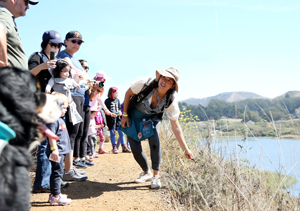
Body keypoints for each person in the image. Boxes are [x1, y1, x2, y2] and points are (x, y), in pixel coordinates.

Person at [120, 67, 194, 189]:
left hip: (151, 120)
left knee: (155, 141)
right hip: (133, 117)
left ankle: (156, 177)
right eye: (164, 77)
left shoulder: (170, 100)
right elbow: (128, 94)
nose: (164, 81)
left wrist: (185, 149)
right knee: (135, 150)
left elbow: (175, 126)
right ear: (159, 77)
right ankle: (146, 172)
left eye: (169, 80)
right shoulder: (145, 84)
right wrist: (125, 115)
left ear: (172, 86)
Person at [31, 30, 63, 194]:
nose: (56, 48)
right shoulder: (36, 57)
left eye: (58, 45)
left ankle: (50, 181)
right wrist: (42, 67)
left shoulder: (57, 61)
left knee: (53, 143)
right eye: (53, 44)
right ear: (45, 44)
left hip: (53, 104)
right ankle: (41, 183)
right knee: (44, 144)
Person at [57, 31, 93, 168]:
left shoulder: (75, 59)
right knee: (72, 132)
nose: (76, 44)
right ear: (65, 42)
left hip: (79, 96)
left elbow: (86, 77)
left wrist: (83, 75)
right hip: (70, 95)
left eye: (79, 42)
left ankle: (72, 164)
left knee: (77, 131)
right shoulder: (63, 56)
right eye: (73, 41)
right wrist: (82, 75)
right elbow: (79, 74)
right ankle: (68, 167)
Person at [46, 92, 72, 206]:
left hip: (60, 151)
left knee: (57, 172)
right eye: (64, 108)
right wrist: (54, 149)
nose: (66, 110)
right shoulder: (53, 120)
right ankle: (56, 196)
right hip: (57, 152)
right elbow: (51, 135)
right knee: (57, 173)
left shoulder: (60, 119)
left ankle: (54, 194)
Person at [0, 0, 39, 68]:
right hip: (9, 77)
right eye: (26, 2)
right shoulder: (3, 14)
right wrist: (5, 68)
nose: (28, 7)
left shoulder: (7, 16)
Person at [105, 87, 131, 154]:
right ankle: (114, 148)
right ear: (112, 93)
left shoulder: (118, 100)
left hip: (118, 119)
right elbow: (105, 110)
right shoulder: (107, 101)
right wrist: (111, 114)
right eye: (116, 93)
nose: (117, 94)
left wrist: (120, 112)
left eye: (117, 93)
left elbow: (119, 109)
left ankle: (124, 147)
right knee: (112, 133)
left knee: (121, 132)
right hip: (111, 120)